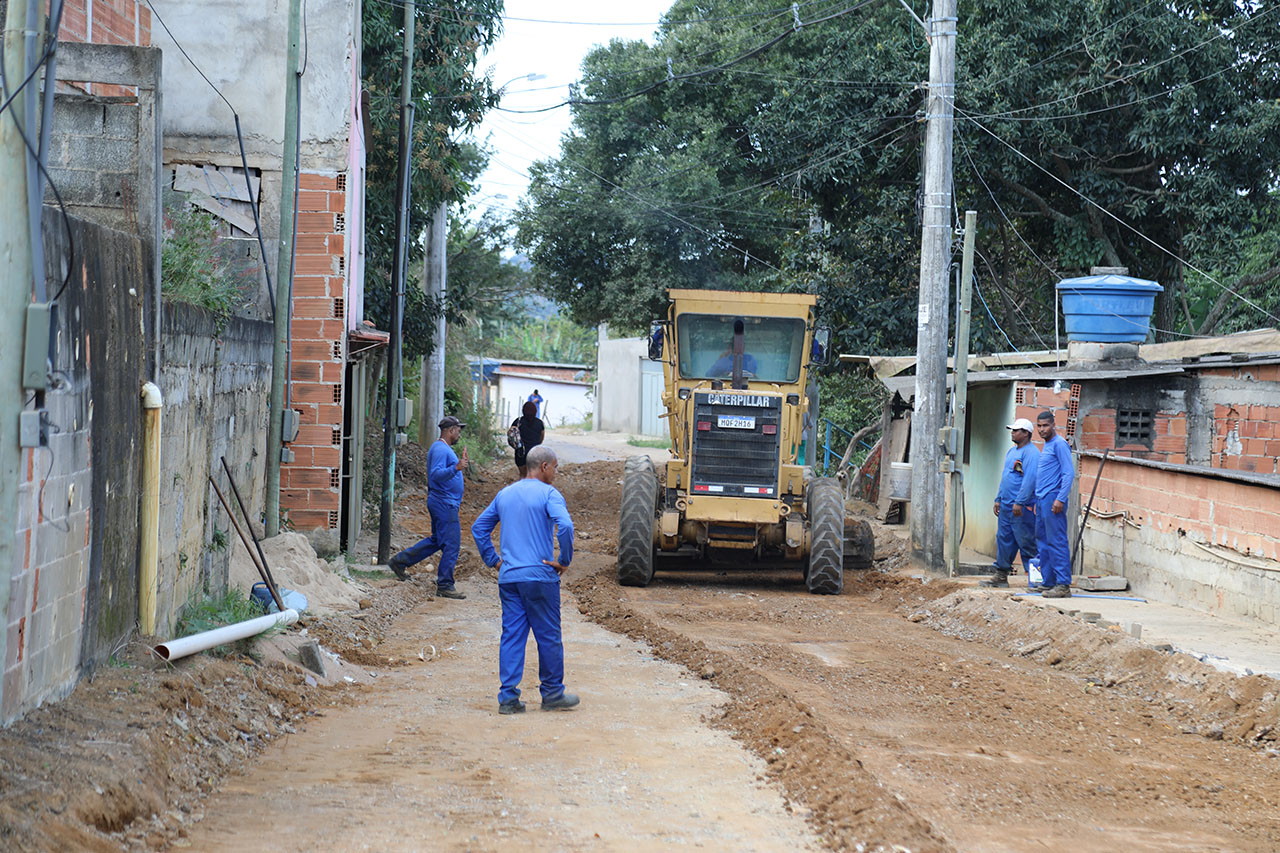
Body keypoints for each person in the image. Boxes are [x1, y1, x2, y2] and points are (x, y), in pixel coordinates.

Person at [470, 445, 578, 715]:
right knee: (548, 636)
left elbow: (479, 527)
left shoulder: (505, 494)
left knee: (512, 636)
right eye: (555, 467)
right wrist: (564, 559)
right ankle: (552, 694)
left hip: (510, 579)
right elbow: (565, 525)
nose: (556, 472)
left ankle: (508, 698)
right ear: (543, 467)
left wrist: (494, 561)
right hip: (540, 577)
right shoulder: (549, 494)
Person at [386, 415, 469, 599]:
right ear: (450, 430)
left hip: (443, 502)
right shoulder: (440, 449)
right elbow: (436, 475)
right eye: (458, 431)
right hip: (444, 503)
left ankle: (399, 562)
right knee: (452, 544)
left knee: (438, 541)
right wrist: (456, 468)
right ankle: (445, 585)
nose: (459, 435)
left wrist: (457, 468)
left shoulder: (442, 448)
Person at [980, 418, 1040, 588]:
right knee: (1004, 539)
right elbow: (1006, 477)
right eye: (1012, 430)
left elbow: (1030, 481)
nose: (1013, 433)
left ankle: (1036, 581)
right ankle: (1000, 576)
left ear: (1026, 433)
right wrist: (998, 499)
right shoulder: (1011, 452)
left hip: (1021, 508)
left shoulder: (1031, 453)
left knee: (1026, 542)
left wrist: (1019, 502)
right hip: (1007, 505)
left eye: (1016, 430)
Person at [1032, 410, 1076, 598]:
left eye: (1045, 426)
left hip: (1053, 499)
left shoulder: (1059, 445)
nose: (1042, 429)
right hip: (1042, 500)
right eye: (1039, 426)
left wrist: (1060, 498)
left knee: (1056, 541)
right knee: (1043, 541)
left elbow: (1068, 473)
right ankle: (1048, 581)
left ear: (1053, 425)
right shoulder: (1047, 445)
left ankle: (1063, 584)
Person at [511, 400, 545, 478]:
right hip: (535, 453)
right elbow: (541, 439)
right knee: (533, 476)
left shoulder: (518, 422)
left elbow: (511, 435)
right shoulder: (540, 423)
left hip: (520, 453)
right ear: (535, 411)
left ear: (523, 410)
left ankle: (522, 489)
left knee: (522, 475)